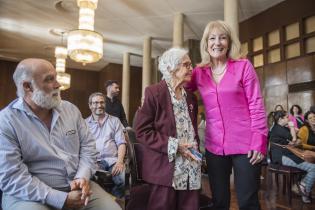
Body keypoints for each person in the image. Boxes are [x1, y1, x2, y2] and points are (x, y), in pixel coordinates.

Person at [0, 58, 121, 210]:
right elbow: (12, 177)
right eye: (49, 80)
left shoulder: (70, 110)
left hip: (78, 186)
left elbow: (89, 147)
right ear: (28, 86)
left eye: (56, 78)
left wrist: (82, 177)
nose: (58, 85)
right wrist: (60, 198)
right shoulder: (6, 121)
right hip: (30, 195)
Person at [185, 20, 267, 210]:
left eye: (222, 38)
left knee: (248, 202)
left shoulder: (243, 66)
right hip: (214, 146)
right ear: (206, 43)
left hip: (246, 144)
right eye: (212, 38)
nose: (217, 43)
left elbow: (256, 104)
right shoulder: (199, 72)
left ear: (229, 42)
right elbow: (180, 88)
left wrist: (259, 141)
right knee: (219, 202)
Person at [135, 48, 201, 210]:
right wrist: (174, 145)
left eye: (191, 64)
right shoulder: (154, 93)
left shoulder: (191, 97)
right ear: (171, 69)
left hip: (190, 167)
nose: (191, 68)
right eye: (186, 64)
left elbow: (192, 130)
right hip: (165, 167)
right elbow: (142, 131)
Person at [86, 92, 126, 198]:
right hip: (94, 161)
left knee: (124, 179)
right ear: (90, 105)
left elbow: (121, 143)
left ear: (105, 104)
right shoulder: (84, 124)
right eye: (95, 103)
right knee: (91, 181)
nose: (99, 105)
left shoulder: (115, 121)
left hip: (113, 161)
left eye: (101, 102)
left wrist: (120, 162)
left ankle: (114, 199)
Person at [269, 110, 315, 204]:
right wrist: (292, 127)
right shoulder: (278, 128)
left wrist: (293, 135)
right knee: (313, 168)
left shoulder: (282, 128)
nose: (289, 119)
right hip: (281, 156)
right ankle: (304, 188)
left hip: (288, 153)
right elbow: (294, 140)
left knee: (311, 164)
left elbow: (296, 141)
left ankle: (302, 186)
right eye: (286, 117)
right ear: (280, 119)